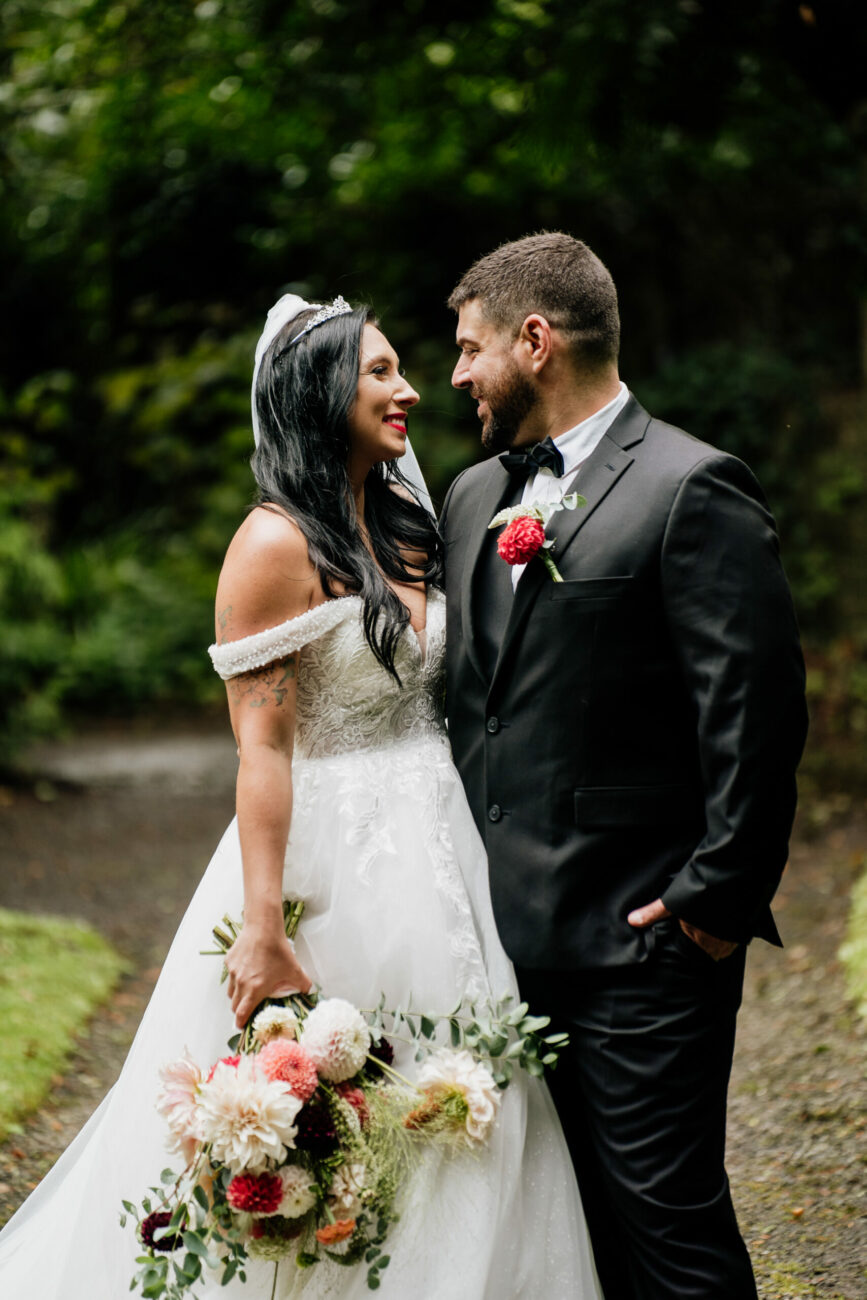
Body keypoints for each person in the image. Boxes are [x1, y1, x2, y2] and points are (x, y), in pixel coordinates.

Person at [0, 292, 602, 1299]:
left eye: (404, 367)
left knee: (471, 1093)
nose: (409, 388)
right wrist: (264, 923)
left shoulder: (410, 523)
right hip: (335, 865)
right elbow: (263, 750)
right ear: (318, 392)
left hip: (447, 846)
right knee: (342, 1108)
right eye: (379, 371)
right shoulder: (272, 546)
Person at [439, 231, 809, 1300]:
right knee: (559, 1240)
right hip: (498, 957)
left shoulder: (693, 488)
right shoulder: (471, 500)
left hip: (640, 945)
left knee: (667, 1229)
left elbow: (754, 709)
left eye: (471, 348)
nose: (457, 373)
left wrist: (716, 899)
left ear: (535, 340)